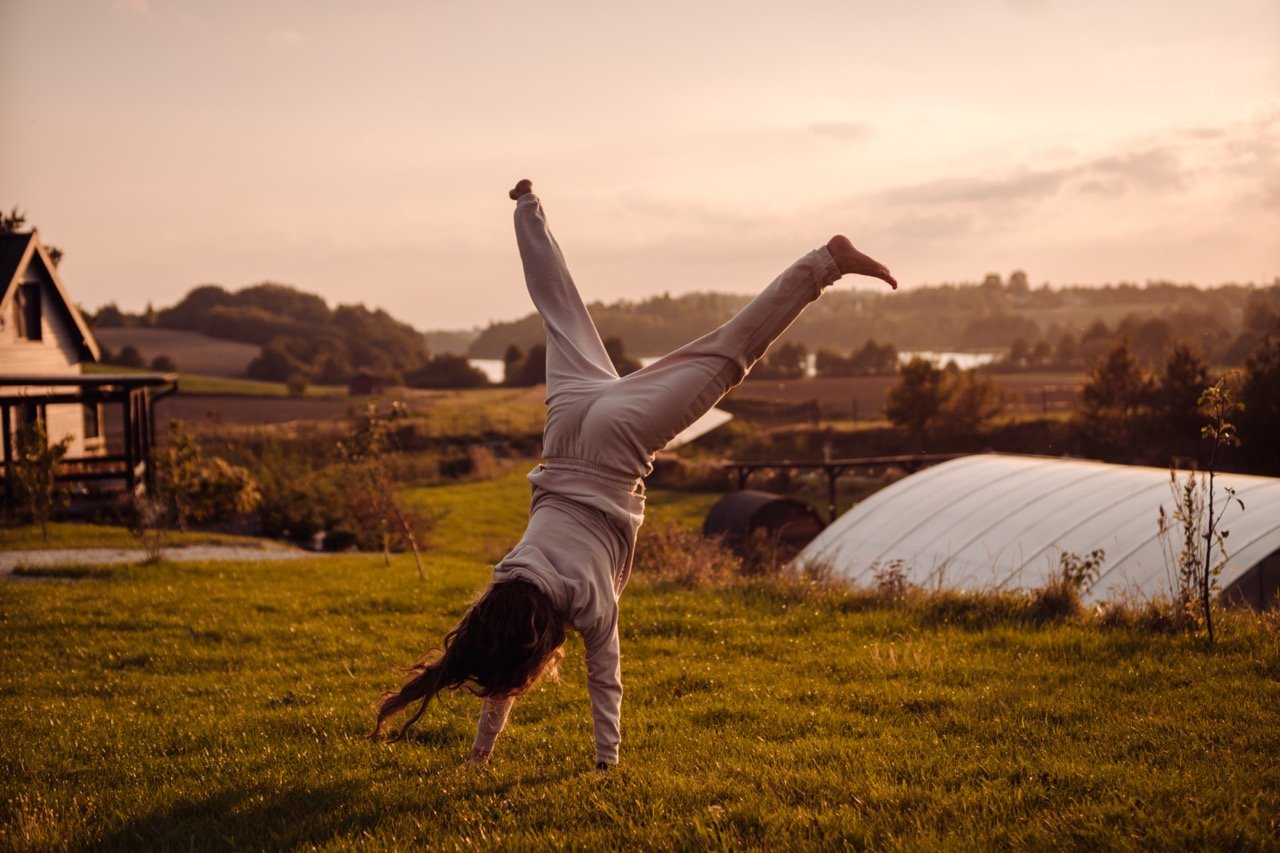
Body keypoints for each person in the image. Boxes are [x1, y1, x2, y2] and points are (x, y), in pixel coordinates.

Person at [372, 179, 897, 769]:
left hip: (618, 444)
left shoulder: (588, 604)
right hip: (566, 428)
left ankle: (827, 260)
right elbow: (498, 659)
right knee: (560, 312)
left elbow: (605, 684)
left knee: (728, 356)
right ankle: (526, 207)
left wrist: (606, 764)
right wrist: (478, 757)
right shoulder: (509, 580)